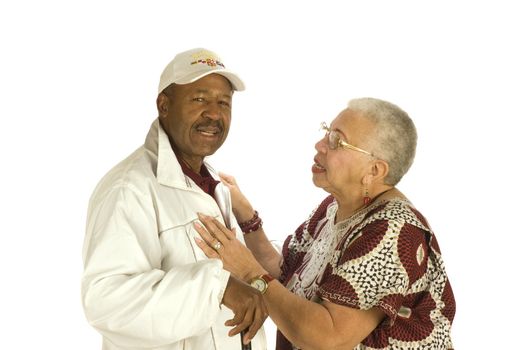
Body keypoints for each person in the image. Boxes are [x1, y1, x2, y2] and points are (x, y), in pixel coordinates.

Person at [194, 97, 456, 349]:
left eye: (336, 141)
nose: (319, 145)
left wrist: (250, 272)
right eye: (326, 132)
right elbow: (285, 279)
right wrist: (247, 217)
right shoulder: (333, 208)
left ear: (375, 170)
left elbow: (328, 338)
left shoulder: (394, 232)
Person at [81, 48, 268, 350]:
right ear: (164, 105)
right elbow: (106, 302)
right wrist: (217, 288)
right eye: (199, 99)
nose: (214, 114)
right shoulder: (129, 188)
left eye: (224, 102)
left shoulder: (214, 184)